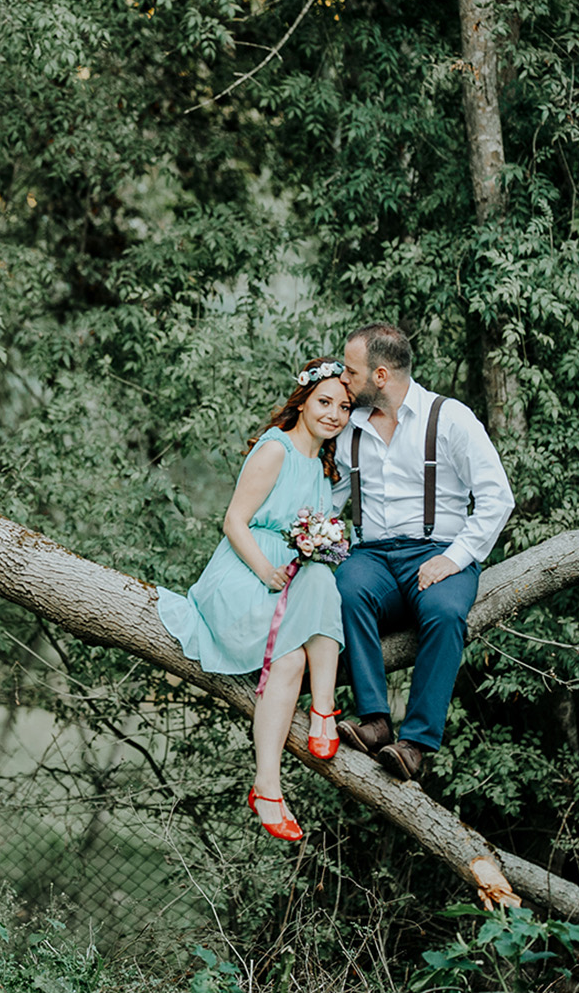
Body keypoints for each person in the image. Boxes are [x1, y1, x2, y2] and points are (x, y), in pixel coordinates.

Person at [158, 359, 352, 841]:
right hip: (245, 576)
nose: (333, 414)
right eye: (324, 402)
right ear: (302, 401)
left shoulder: (323, 468)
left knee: (311, 610)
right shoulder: (276, 450)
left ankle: (271, 781)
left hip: (293, 577)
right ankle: (315, 725)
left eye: (344, 407)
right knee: (306, 618)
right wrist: (267, 570)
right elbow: (234, 522)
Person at [330, 324, 514, 783]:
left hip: (438, 552)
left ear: (381, 375)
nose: (342, 379)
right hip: (371, 557)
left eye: (350, 372)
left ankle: (414, 745)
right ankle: (373, 721)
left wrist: (456, 557)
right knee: (345, 589)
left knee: (447, 612)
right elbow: (327, 499)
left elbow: (497, 497)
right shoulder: (347, 427)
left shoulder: (449, 418)